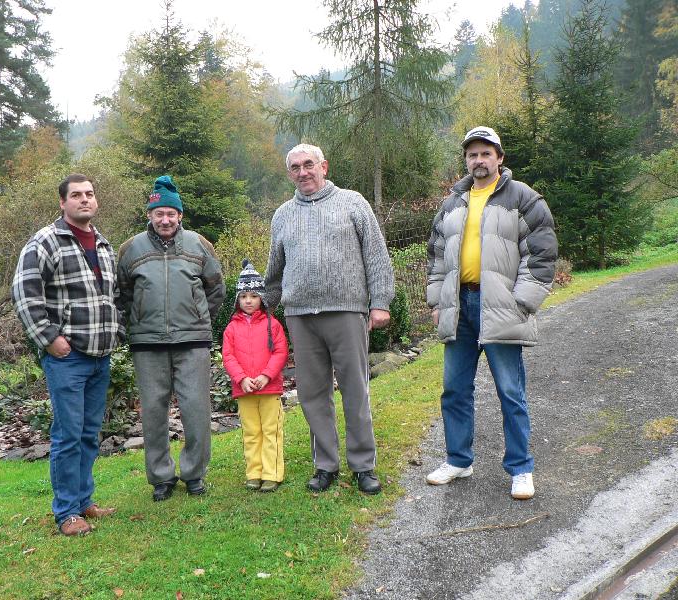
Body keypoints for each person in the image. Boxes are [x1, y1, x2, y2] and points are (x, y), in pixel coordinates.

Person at [425, 126, 557, 500]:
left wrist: (522, 302)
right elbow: (436, 257)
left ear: (500, 157)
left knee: (510, 391)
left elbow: (542, 253)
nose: (479, 160)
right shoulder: (452, 203)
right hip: (460, 307)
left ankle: (521, 468)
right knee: (454, 389)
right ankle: (458, 460)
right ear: (466, 160)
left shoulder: (523, 198)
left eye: (486, 153)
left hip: (501, 307)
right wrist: (437, 302)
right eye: (472, 154)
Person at [264, 143, 395, 495]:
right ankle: (325, 465)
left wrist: (380, 302)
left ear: (324, 166)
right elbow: (274, 271)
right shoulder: (282, 215)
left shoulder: (353, 203)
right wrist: (262, 309)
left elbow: (376, 255)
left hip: (346, 311)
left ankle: (363, 466)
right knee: (312, 393)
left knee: (355, 389)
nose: (303, 172)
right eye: (295, 167)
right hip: (300, 316)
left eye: (309, 164)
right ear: (289, 174)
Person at [12, 173, 122, 536]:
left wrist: (117, 332)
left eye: (89, 193)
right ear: (63, 203)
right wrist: (48, 339)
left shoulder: (103, 244)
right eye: (76, 195)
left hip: (100, 356)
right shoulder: (46, 241)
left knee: (89, 434)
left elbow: (113, 297)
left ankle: (84, 500)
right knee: (68, 435)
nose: (84, 199)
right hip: (67, 359)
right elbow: (24, 293)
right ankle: (67, 513)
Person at [116, 175, 225, 502]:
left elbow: (216, 289)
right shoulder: (131, 249)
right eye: (159, 213)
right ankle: (161, 477)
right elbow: (123, 293)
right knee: (153, 411)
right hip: (147, 344)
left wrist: (198, 318)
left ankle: (194, 474)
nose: (165, 220)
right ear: (149, 215)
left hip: (192, 342)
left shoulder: (199, 244)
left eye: (171, 214)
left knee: (196, 410)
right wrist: (137, 320)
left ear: (180, 215)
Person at [222, 260, 289, 493]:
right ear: (237, 300)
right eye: (243, 296)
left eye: (253, 296)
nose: (248, 301)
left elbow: (281, 352)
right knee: (251, 432)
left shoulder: (273, 324)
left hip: (269, 389)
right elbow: (228, 356)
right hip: (245, 390)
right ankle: (254, 473)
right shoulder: (231, 328)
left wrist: (267, 375)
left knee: (271, 431)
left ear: (262, 298)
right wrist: (241, 378)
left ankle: (272, 474)